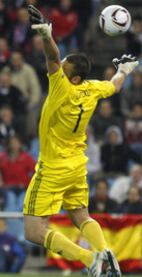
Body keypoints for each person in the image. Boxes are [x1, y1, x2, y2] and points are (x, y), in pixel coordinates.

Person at [23, 5, 139, 277]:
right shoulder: (92, 89)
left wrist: (44, 34)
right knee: (81, 216)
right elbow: (115, 85)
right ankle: (105, 253)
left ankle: (89, 259)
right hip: (77, 166)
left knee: (34, 230)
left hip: (52, 168)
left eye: (64, 69)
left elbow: (53, 56)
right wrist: (125, 69)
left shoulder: (62, 87)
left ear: (72, 78)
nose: (58, 69)